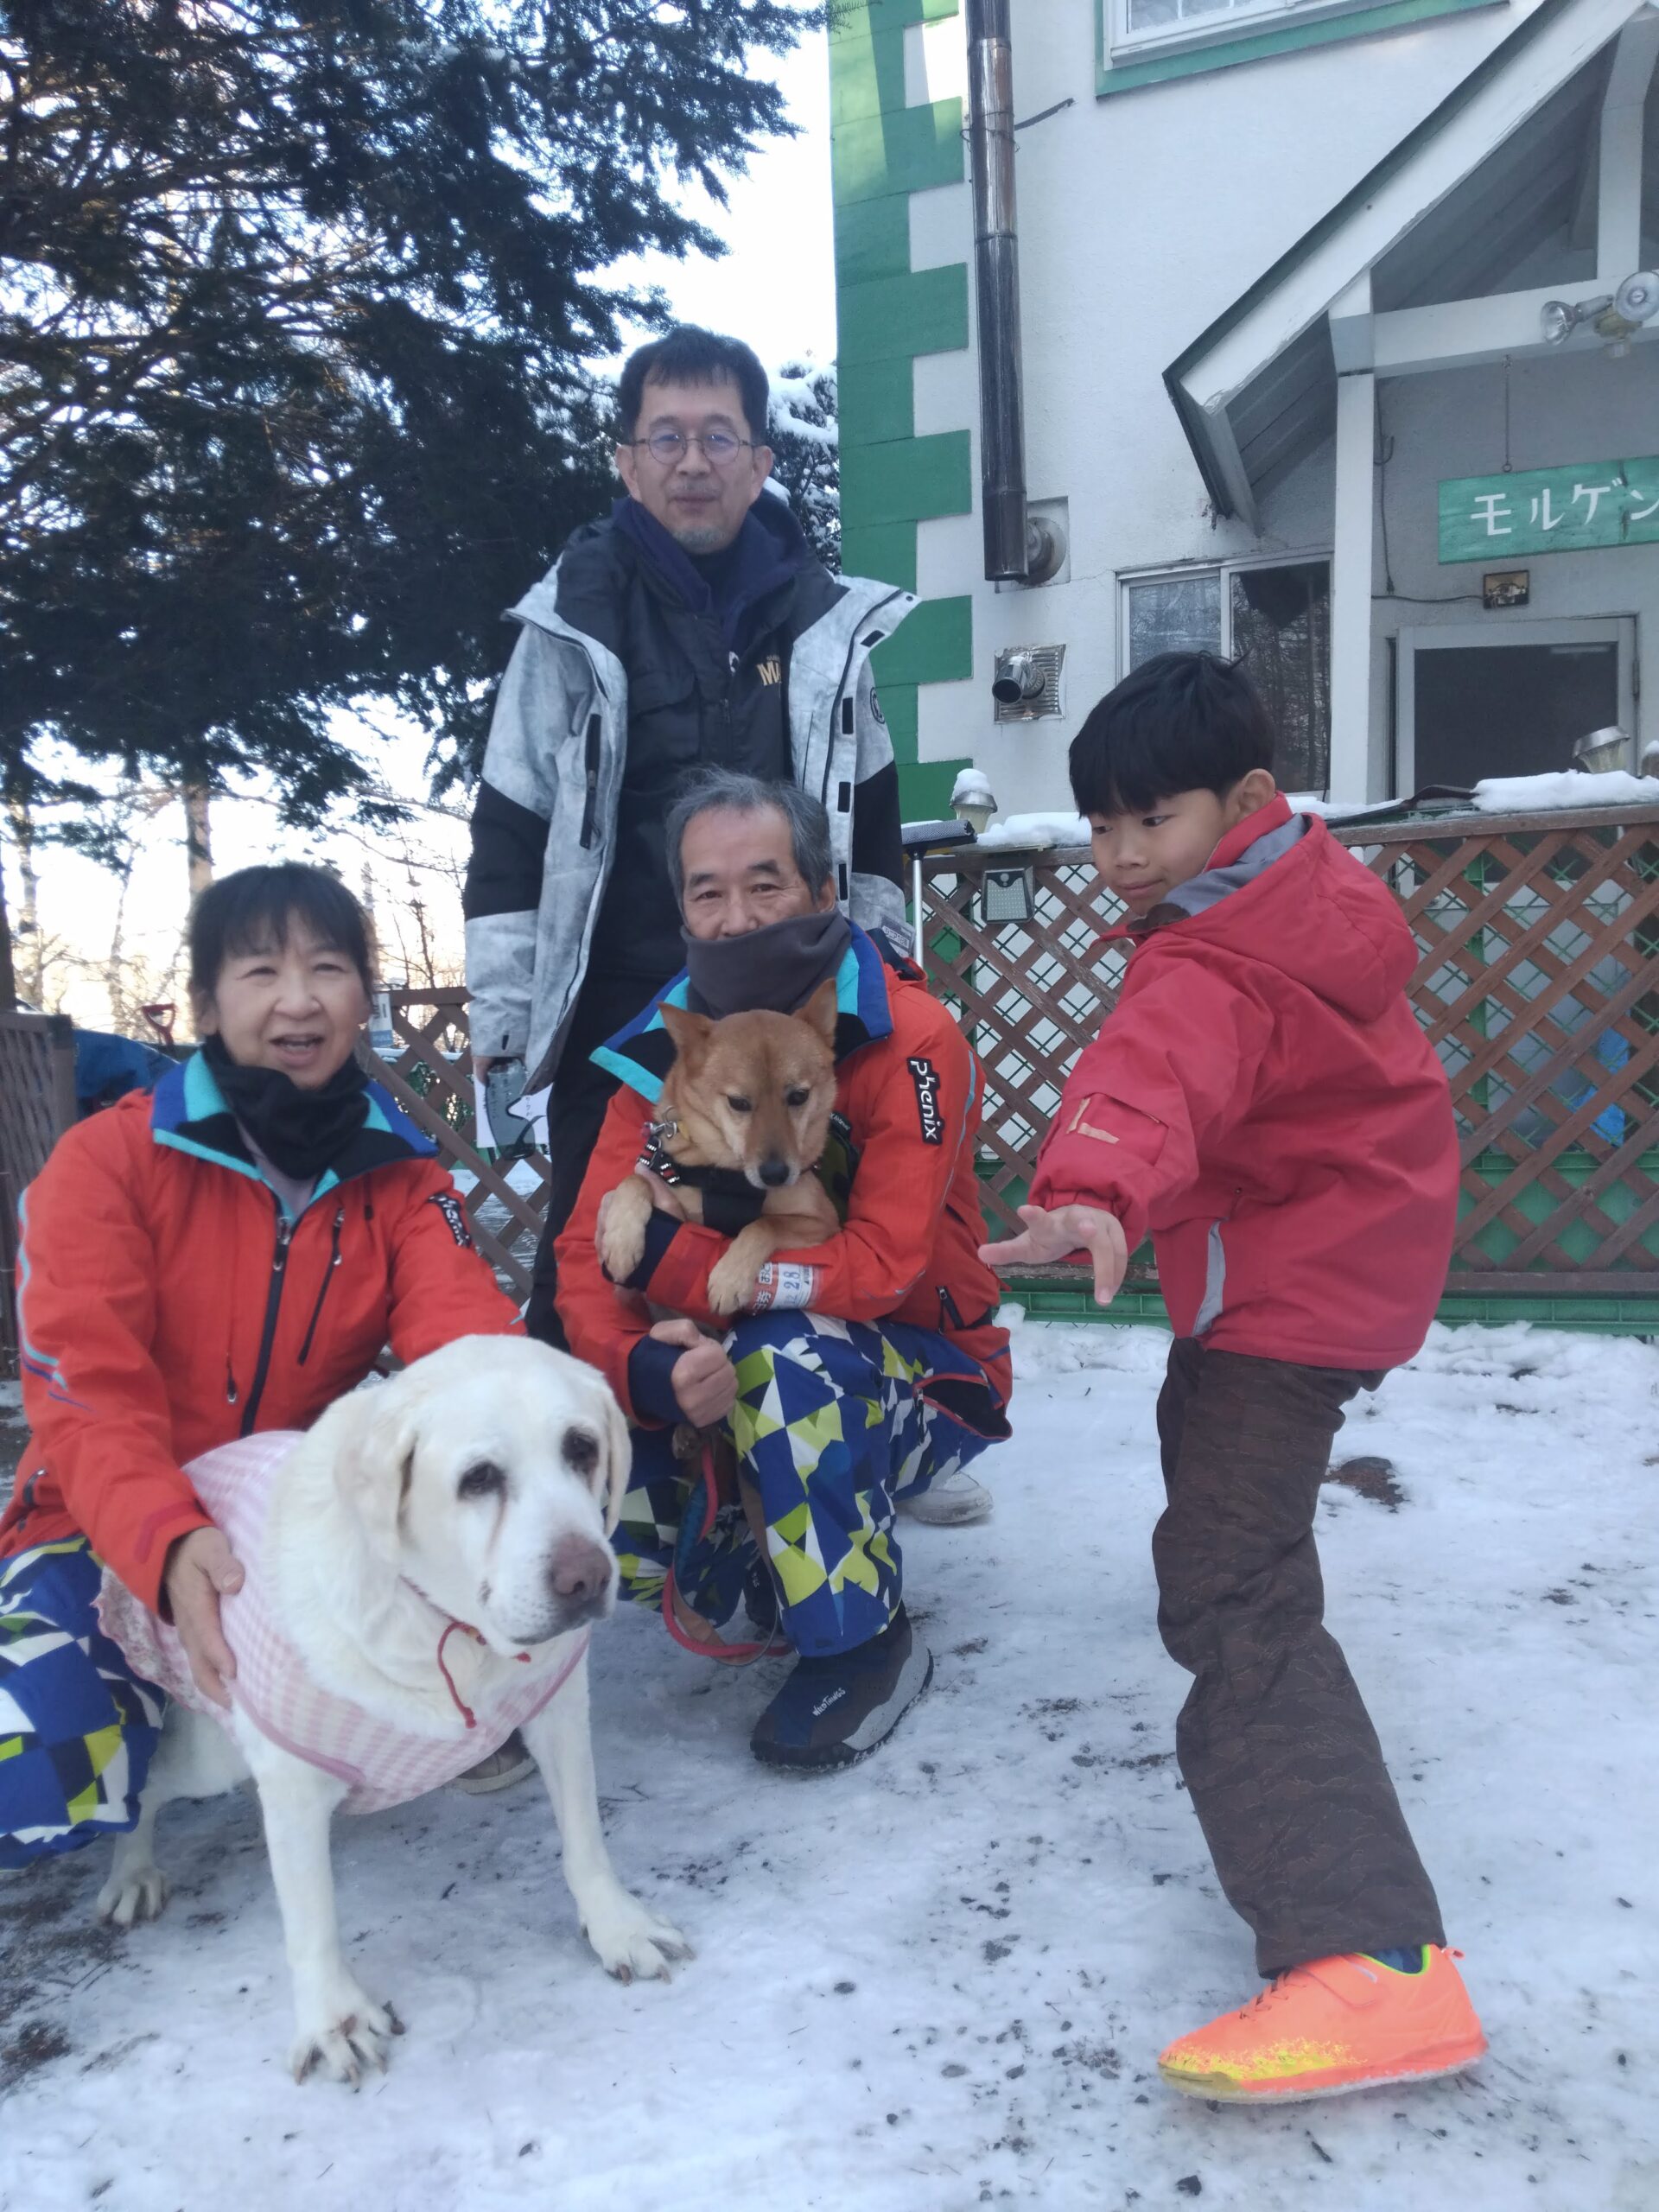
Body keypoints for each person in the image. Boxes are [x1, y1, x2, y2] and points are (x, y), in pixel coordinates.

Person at [982, 653, 1486, 2104]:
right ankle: (1354, 1916)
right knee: (1215, 1484)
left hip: (1288, 1294)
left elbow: (1157, 1077)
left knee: (1226, 1585)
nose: (1124, 854)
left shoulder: (1216, 956)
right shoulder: (1302, 904)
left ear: (1248, 801)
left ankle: (1363, 1955)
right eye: (1102, 826)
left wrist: (1088, 1193)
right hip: (1309, 1279)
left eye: (1154, 819)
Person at [0, 865, 519, 1874]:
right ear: (204, 1003)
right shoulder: (107, 1164)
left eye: (328, 968)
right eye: (261, 970)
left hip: (296, 1514)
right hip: (102, 1522)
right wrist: (165, 1542)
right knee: (33, 1767)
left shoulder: (401, 1177)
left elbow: (465, 1347)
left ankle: (409, 1718)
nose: (298, 999)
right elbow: (86, 1393)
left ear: (363, 998)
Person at [555, 771, 1013, 1772]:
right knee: (562, 1395)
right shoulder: (662, 1048)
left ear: (820, 889)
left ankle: (859, 1640)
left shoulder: (908, 1037)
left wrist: (689, 1266)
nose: (734, 917)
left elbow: (882, 1266)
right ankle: (748, 1567)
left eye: (764, 884)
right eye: (706, 892)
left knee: (788, 1354)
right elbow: (586, 1260)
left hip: (924, 1374)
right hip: (722, 1362)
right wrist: (645, 1370)